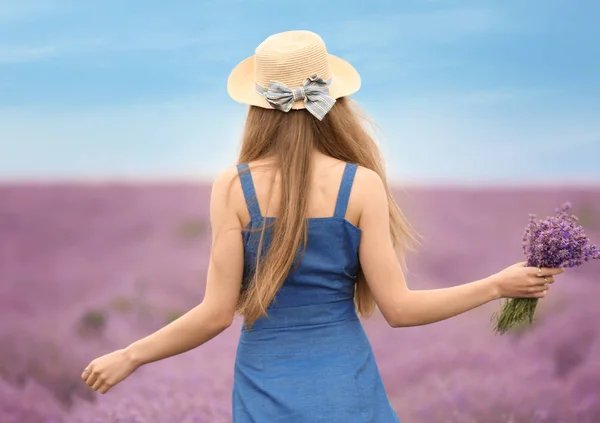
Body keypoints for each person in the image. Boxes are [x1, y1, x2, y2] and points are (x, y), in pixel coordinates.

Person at [80, 30, 563, 422]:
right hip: (346, 387)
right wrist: (498, 284)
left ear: (257, 107)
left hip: (264, 385)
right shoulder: (362, 184)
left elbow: (214, 314)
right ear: (332, 101)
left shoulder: (233, 187)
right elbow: (400, 309)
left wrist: (131, 354)